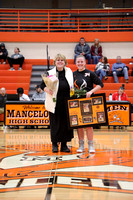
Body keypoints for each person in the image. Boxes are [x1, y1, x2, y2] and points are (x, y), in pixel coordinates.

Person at [41, 54, 74, 153]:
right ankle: (54, 144)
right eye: (58, 60)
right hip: (54, 102)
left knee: (66, 125)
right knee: (55, 124)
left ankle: (64, 145)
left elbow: (72, 85)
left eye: (62, 60)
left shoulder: (69, 71)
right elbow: (42, 85)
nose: (60, 62)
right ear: (55, 62)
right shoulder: (50, 72)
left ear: (65, 62)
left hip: (67, 102)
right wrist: (47, 90)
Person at [73, 55, 103, 153]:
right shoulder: (72, 74)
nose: (80, 63)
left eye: (81, 62)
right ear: (76, 63)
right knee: (79, 125)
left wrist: (91, 92)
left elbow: (100, 84)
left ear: (85, 62)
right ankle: (81, 145)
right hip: (76, 102)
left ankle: (91, 145)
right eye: (78, 62)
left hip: (87, 102)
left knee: (89, 125)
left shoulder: (90, 73)